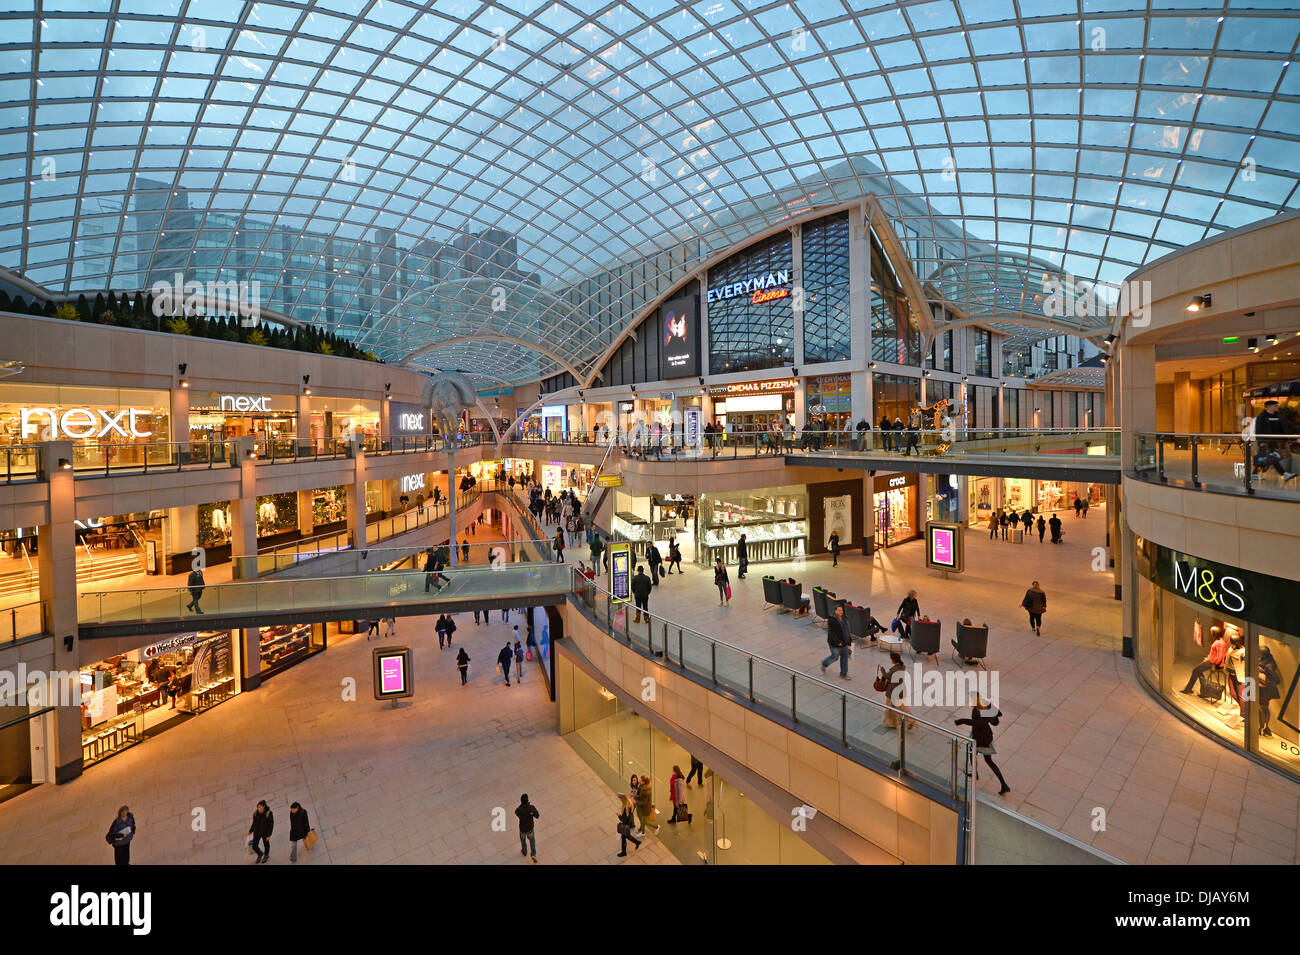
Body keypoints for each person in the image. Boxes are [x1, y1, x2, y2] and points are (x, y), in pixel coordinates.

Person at [956, 698, 1010, 794]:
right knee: (972, 752)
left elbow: (978, 723)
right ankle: (974, 773)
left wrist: (961, 721)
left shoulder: (980, 710)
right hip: (981, 737)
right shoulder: (984, 706)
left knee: (988, 761)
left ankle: (1003, 784)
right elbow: (996, 718)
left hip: (982, 740)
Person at [1254, 398, 1297, 480]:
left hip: (1274, 442)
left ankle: (1254, 474)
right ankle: (1284, 474)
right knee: (1271, 458)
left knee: (1270, 459)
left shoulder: (1279, 416)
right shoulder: (1262, 417)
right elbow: (1258, 430)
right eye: (1275, 405)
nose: (1278, 407)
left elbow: (1290, 425)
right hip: (1265, 442)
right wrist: (1261, 442)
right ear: (1269, 406)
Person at [1180, 626, 1228, 697]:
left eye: (1212, 632)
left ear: (1215, 633)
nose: (1211, 634)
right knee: (1198, 671)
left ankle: (1189, 689)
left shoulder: (1219, 643)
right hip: (1211, 661)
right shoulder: (1220, 641)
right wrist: (1208, 658)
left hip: (1213, 663)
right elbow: (1215, 654)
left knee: (1196, 671)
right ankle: (1204, 691)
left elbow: (1220, 657)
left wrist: (1213, 665)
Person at [880, 652, 915, 732]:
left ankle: (892, 723)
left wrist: (882, 668)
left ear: (893, 659)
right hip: (900, 691)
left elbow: (886, 676)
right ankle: (910, 720)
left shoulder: (894, 670)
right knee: (902, 707)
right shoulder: (902, 666)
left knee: (889, 708)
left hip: (893, 692)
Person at [820, 603, 851, 680]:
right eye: (839, 610)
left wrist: (849, 639)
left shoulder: (844, 618)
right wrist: (838, 642)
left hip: (844, 642)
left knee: (845, 658)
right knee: (835, 657)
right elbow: (832, 633)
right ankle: (824, 663)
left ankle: (843, 674)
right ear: (835, 611)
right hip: (835, 644)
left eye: (842, 610)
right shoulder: (832, 620)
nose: (841, 612)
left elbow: (847, 629)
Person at [515, 794, 539, 862]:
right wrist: (532, 813)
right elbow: (537, 816)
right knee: (532, 841)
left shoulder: (519, 809)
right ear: (527, 800)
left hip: (522, 829)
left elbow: (516, 812)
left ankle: (524, 852)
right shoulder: (531, 807)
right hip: (530, 828)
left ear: (521, 801)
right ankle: (533, 854)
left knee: (523, 841)